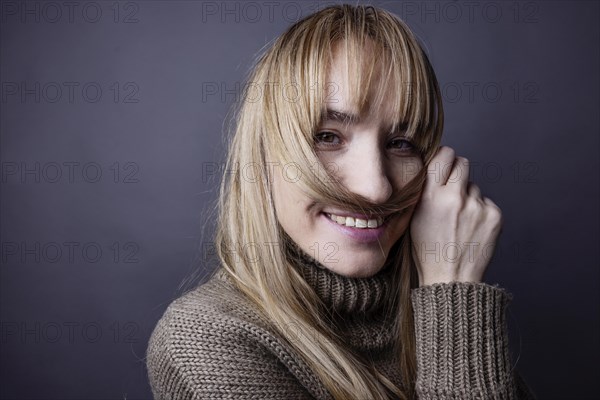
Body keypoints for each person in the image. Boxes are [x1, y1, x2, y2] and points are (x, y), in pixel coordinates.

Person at [146, 4, 536, 399]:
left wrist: (451, 299)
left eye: (401, 143)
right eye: (328, 136)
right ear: (263, 154)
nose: (376, 189)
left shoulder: (439, 312)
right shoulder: (208, 339)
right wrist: (455, 300)